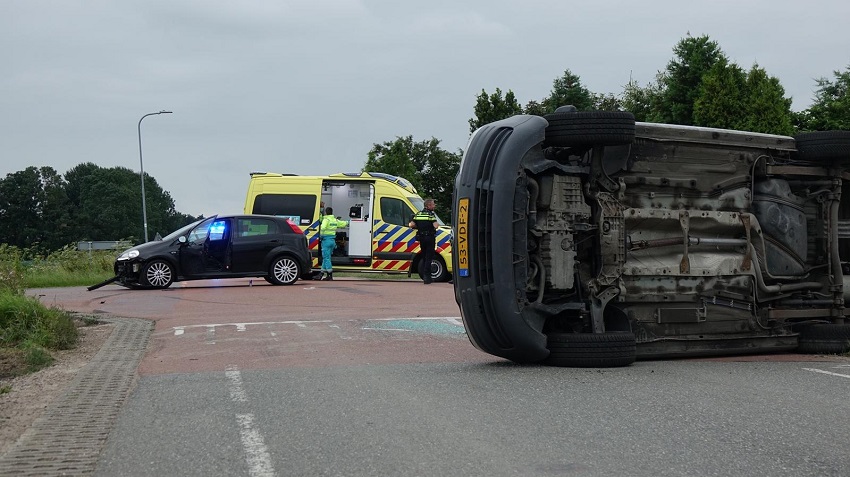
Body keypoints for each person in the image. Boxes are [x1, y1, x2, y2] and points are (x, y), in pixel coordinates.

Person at [409, 198, 439, 284]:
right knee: (429, 257)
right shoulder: (431, 215)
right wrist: (435, 224)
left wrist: (418, 226)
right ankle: (427, 277)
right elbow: (436, 226)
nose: (434, 206)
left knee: (424, 256)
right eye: (433, 204)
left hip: (421, 237)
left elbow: (411, 225)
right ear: (428, 205)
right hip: (429, 238)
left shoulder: (418, 214)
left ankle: (426, 276)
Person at [319, 207, 348, 281]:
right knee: (326, 257)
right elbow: (343, 223)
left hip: (326, 241)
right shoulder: (335, 220)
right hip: (332, 241)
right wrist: (350, 221)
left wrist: (321, 236)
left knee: (326, 258)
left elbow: (322, 228)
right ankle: (321, 273)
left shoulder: (326, 220)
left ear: (326, 212)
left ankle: (329, 275)